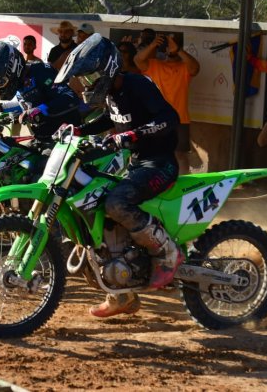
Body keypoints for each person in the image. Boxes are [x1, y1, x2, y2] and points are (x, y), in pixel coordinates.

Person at [56, 33, 183, 318]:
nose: (87, 83)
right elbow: (111, 120)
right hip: (137, 164)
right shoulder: (112, 95)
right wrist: (79, 130)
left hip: (160, 164)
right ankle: (122, 293)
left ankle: (168, 253)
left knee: (116, 204)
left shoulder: (138, 85)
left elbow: (168, 119)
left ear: (107, 68)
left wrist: (130, 136)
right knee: (97, 203)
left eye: (90, 76)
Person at [0, 37, 81, 138]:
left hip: (66, 137)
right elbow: (25, 103)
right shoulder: (21, 81)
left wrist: (39, 110)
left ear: (13, 68)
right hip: (43, 136)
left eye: (0, 81)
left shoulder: (42, 72)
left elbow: (69, 97)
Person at [134, 31, 200, 175]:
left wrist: (178, 50)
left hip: (179, 119)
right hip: (155, 119)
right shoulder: (154, 65)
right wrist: (153, 45)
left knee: (180, 155)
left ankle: (182, 187)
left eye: (174, 45)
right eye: (168, 45)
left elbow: (195, 68)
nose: (170, 48)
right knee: (152, 154)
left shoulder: (184, 67)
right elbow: (138, 60)